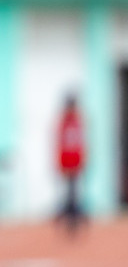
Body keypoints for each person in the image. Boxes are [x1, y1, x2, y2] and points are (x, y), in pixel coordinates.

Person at [57, 93, 85, 236]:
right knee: (68, 193)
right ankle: (68, 218)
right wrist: (60, 163)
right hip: (67, 163)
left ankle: (73, 219)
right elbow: (60, 144)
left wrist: (82, 161)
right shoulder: (64, 122)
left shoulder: (77, 121)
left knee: (74, 192)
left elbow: (80, 144)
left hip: (75, 163)